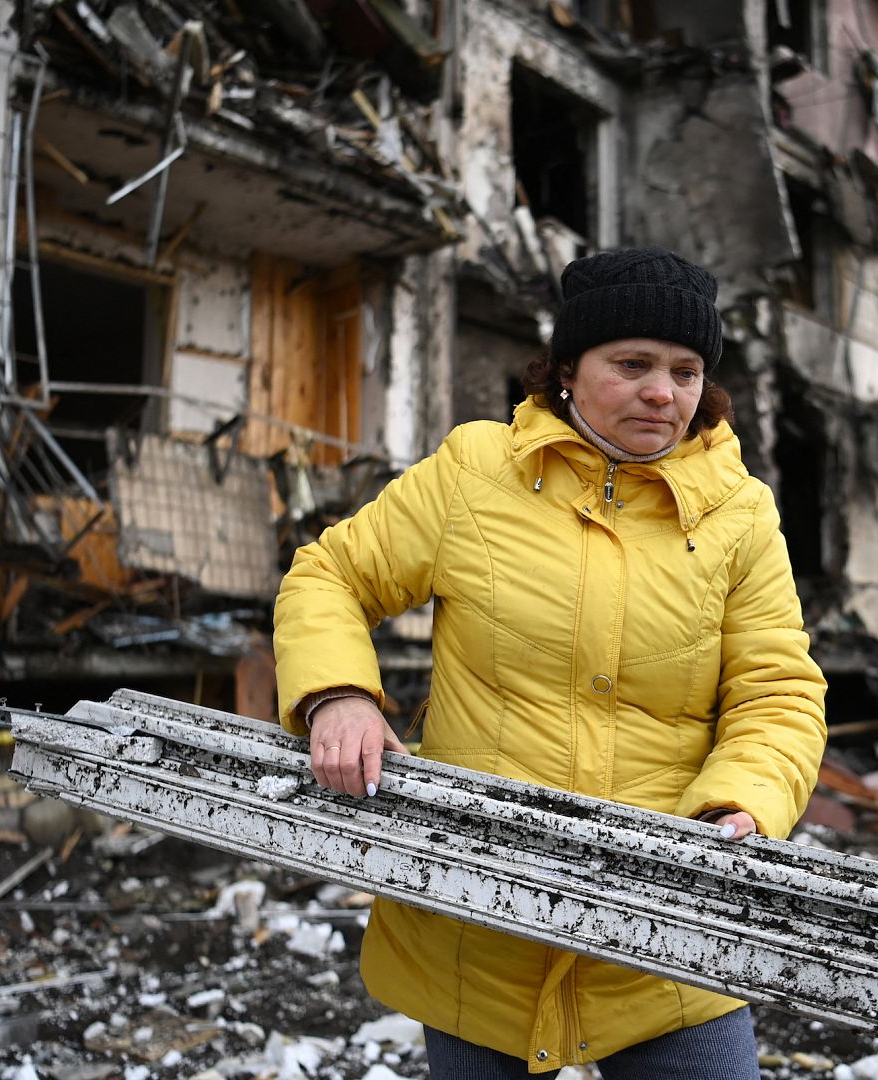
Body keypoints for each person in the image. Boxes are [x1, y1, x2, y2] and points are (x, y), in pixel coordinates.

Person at [273, 246, 827, 1078]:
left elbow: (777, 691)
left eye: (684, 371)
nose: (661, 392)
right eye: (632, 363)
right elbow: (331, 574)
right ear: (567, 368)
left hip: (663, 928)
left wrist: (741, 803)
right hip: (480, 917)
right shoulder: (476, 472)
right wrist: (338, 696)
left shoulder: (740, 517)